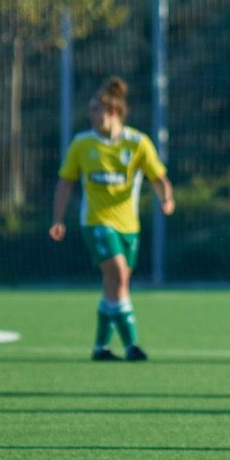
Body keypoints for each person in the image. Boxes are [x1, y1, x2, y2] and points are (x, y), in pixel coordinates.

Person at [49, 76, 174, 361]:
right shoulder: (82, 144)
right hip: (96, 222)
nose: (91, 115)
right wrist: (58, 218)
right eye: (90, 109)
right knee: (117, 275)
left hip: (129, 226)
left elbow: (158, 177)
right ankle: (132, 345)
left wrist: (166, 198)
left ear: (114, 111)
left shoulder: (137, 143)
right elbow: (65, 183)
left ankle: (100, 347)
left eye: (96, 110)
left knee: (116, 285)